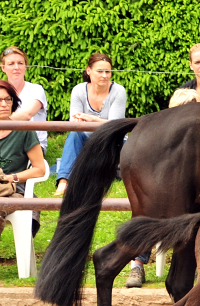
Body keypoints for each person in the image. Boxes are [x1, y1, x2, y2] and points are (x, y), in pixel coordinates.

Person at [125, 60, 200, 288]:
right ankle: (137, 265)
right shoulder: (172, 130)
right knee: (150, 214)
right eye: (197, 62)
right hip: (172, 185)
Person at [54, 53, 126, 196]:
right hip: (86, 142)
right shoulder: (79, 90)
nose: (105, 75)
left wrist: (90, 119)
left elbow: (115, 126)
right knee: (74, 134)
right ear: (89, 71)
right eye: (100, 71)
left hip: (112, 141)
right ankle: (64, 181)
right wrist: (83, 121)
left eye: (108, 71)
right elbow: (74, 122)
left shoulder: (118, 91)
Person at [0, 80, 46, 237]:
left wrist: (10, 178)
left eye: (8, 99)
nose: (4, 104)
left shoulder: (24, 130)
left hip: (14, 190)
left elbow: (40, 169)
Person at [1, 46, 48, 154]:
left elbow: (26, 114)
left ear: (26, 66)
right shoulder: (1, 91)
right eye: (11, 64)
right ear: (3, 68)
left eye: (20, 63)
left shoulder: (36, 89)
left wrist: (3, 122)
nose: (16, 67)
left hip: (32, 147)